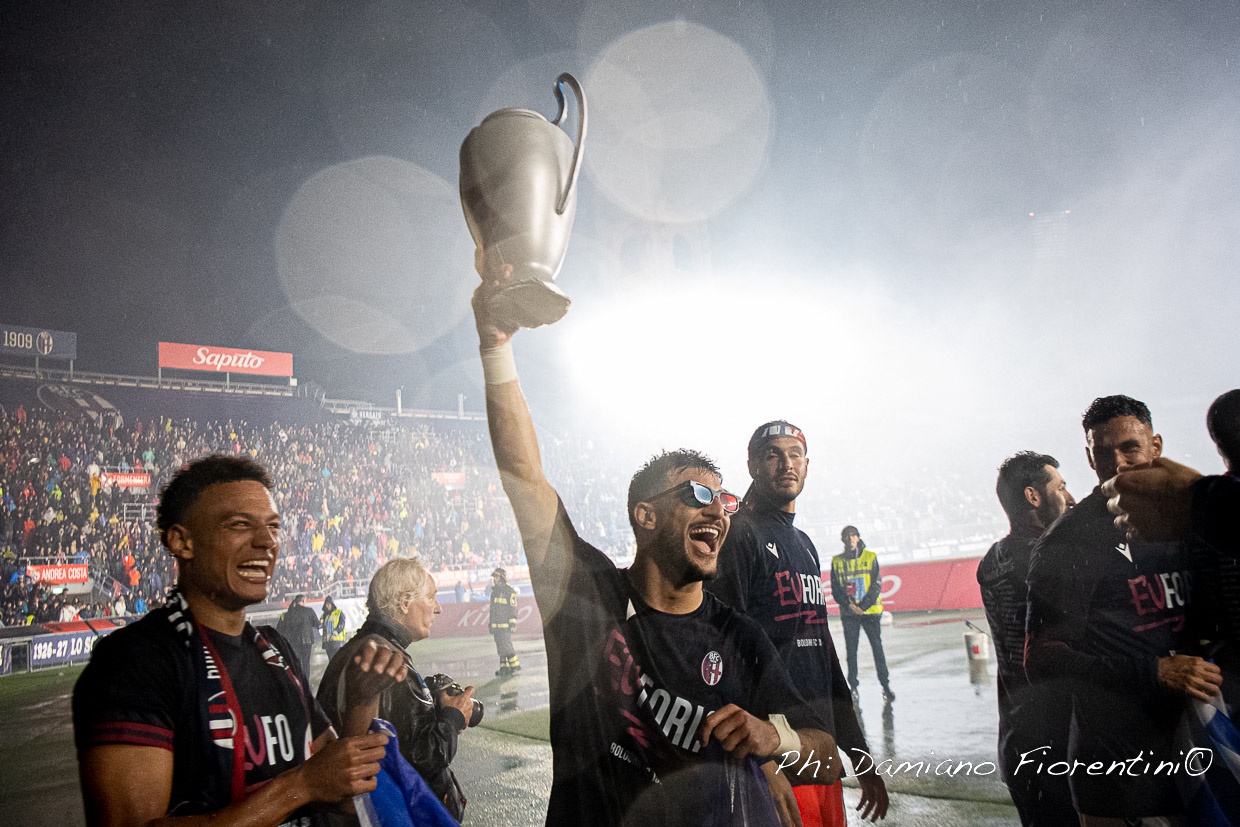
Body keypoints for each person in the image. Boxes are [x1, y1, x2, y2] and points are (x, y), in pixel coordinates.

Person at [473, 267, 840, 827]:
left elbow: (826, 751)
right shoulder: (587, 597)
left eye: (724, 499)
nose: (717, 509)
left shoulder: (739, 636)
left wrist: (772, 738)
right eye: (697, 493)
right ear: (645, 515)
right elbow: (523, 474)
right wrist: (495, 346)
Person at [72, 454, 406, 826]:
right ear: (182, 541)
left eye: (274, 527)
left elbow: (344, 793)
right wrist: (300, 785)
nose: (266, 541)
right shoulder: (136, 661)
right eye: (239, 524)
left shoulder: (275, 649)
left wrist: (362, 699)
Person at [1025, 395, 1222, 822]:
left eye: (1130, 448)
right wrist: (1155, 671)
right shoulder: (1067, 542)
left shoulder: (1196, 520)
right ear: (1088, 457)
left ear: (1156, 446)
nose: (1118, 464)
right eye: (1102, 453)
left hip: (1201, 756)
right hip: (1117, 772)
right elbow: (1041, 659)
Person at [707, 420, 889, 825]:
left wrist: (861, 756)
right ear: (753, 465)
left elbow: (824, 657)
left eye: (794, 455)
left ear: (808, 465)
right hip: (776, 763)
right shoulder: (739, 535)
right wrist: (761, 764)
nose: (785, 464)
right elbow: (721, 654)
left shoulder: (805, 544)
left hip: (818, 757)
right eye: (773, 455)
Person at [318, 557, 475, 822]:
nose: (437, 609)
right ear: (404, 602)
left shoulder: (359, 648)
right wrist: (453, 717)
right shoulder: (384, 661)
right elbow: (419, 759)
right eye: (431, 598)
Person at [976, 451, 1076, 825]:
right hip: (1061, 741)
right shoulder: (1052, 558)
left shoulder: (992, 559)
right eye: (1061, 487)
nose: (1069, 496)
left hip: (1018, 738)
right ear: (1034, 496)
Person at [829, 526, 892, 704]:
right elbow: (835, 589)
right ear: (843, 540)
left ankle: (885, 686)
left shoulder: (870, 557)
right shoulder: (837, 561)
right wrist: (850, 606)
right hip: (850, 614)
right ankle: (853, 687)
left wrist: (862, 607)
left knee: (877, 650)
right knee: (851, 652)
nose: (850, 539)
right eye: (847, 537)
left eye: (853, 536)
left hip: (870, 613)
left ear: (858, 538)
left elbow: (876, 586)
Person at [489, 567, 521, 676]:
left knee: (506, 647)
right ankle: (504, 668)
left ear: (502, 577)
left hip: (505, 626)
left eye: (496, 577)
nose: (494, 579)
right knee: (500, 649)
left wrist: (512, 623)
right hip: (496, 626)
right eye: (494, 577)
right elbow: (492, 610)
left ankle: (515, 666)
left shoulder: (509, 591)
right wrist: (491, 624)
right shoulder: (494, 592)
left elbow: (512, 608)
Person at [277, 593, 320, 674]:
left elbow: (281, 629)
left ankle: (298, 680)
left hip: (294, 641)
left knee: (297, 661)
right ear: (303, 601)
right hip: (307, 641)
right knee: (306, 662)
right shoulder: (309, 610)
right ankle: (306, 681)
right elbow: (317, 624)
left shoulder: (289, 613)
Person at [321, 595, 347, 660]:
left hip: (337, 641)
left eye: (328, 604)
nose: (327, 606)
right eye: (326, 604)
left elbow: (342, 624)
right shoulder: (324, 615)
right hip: (328, 642)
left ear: (332, 604)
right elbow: (321, 625)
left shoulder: (339, 612)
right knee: (331, 660)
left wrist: (335, 633)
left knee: (337, 660)